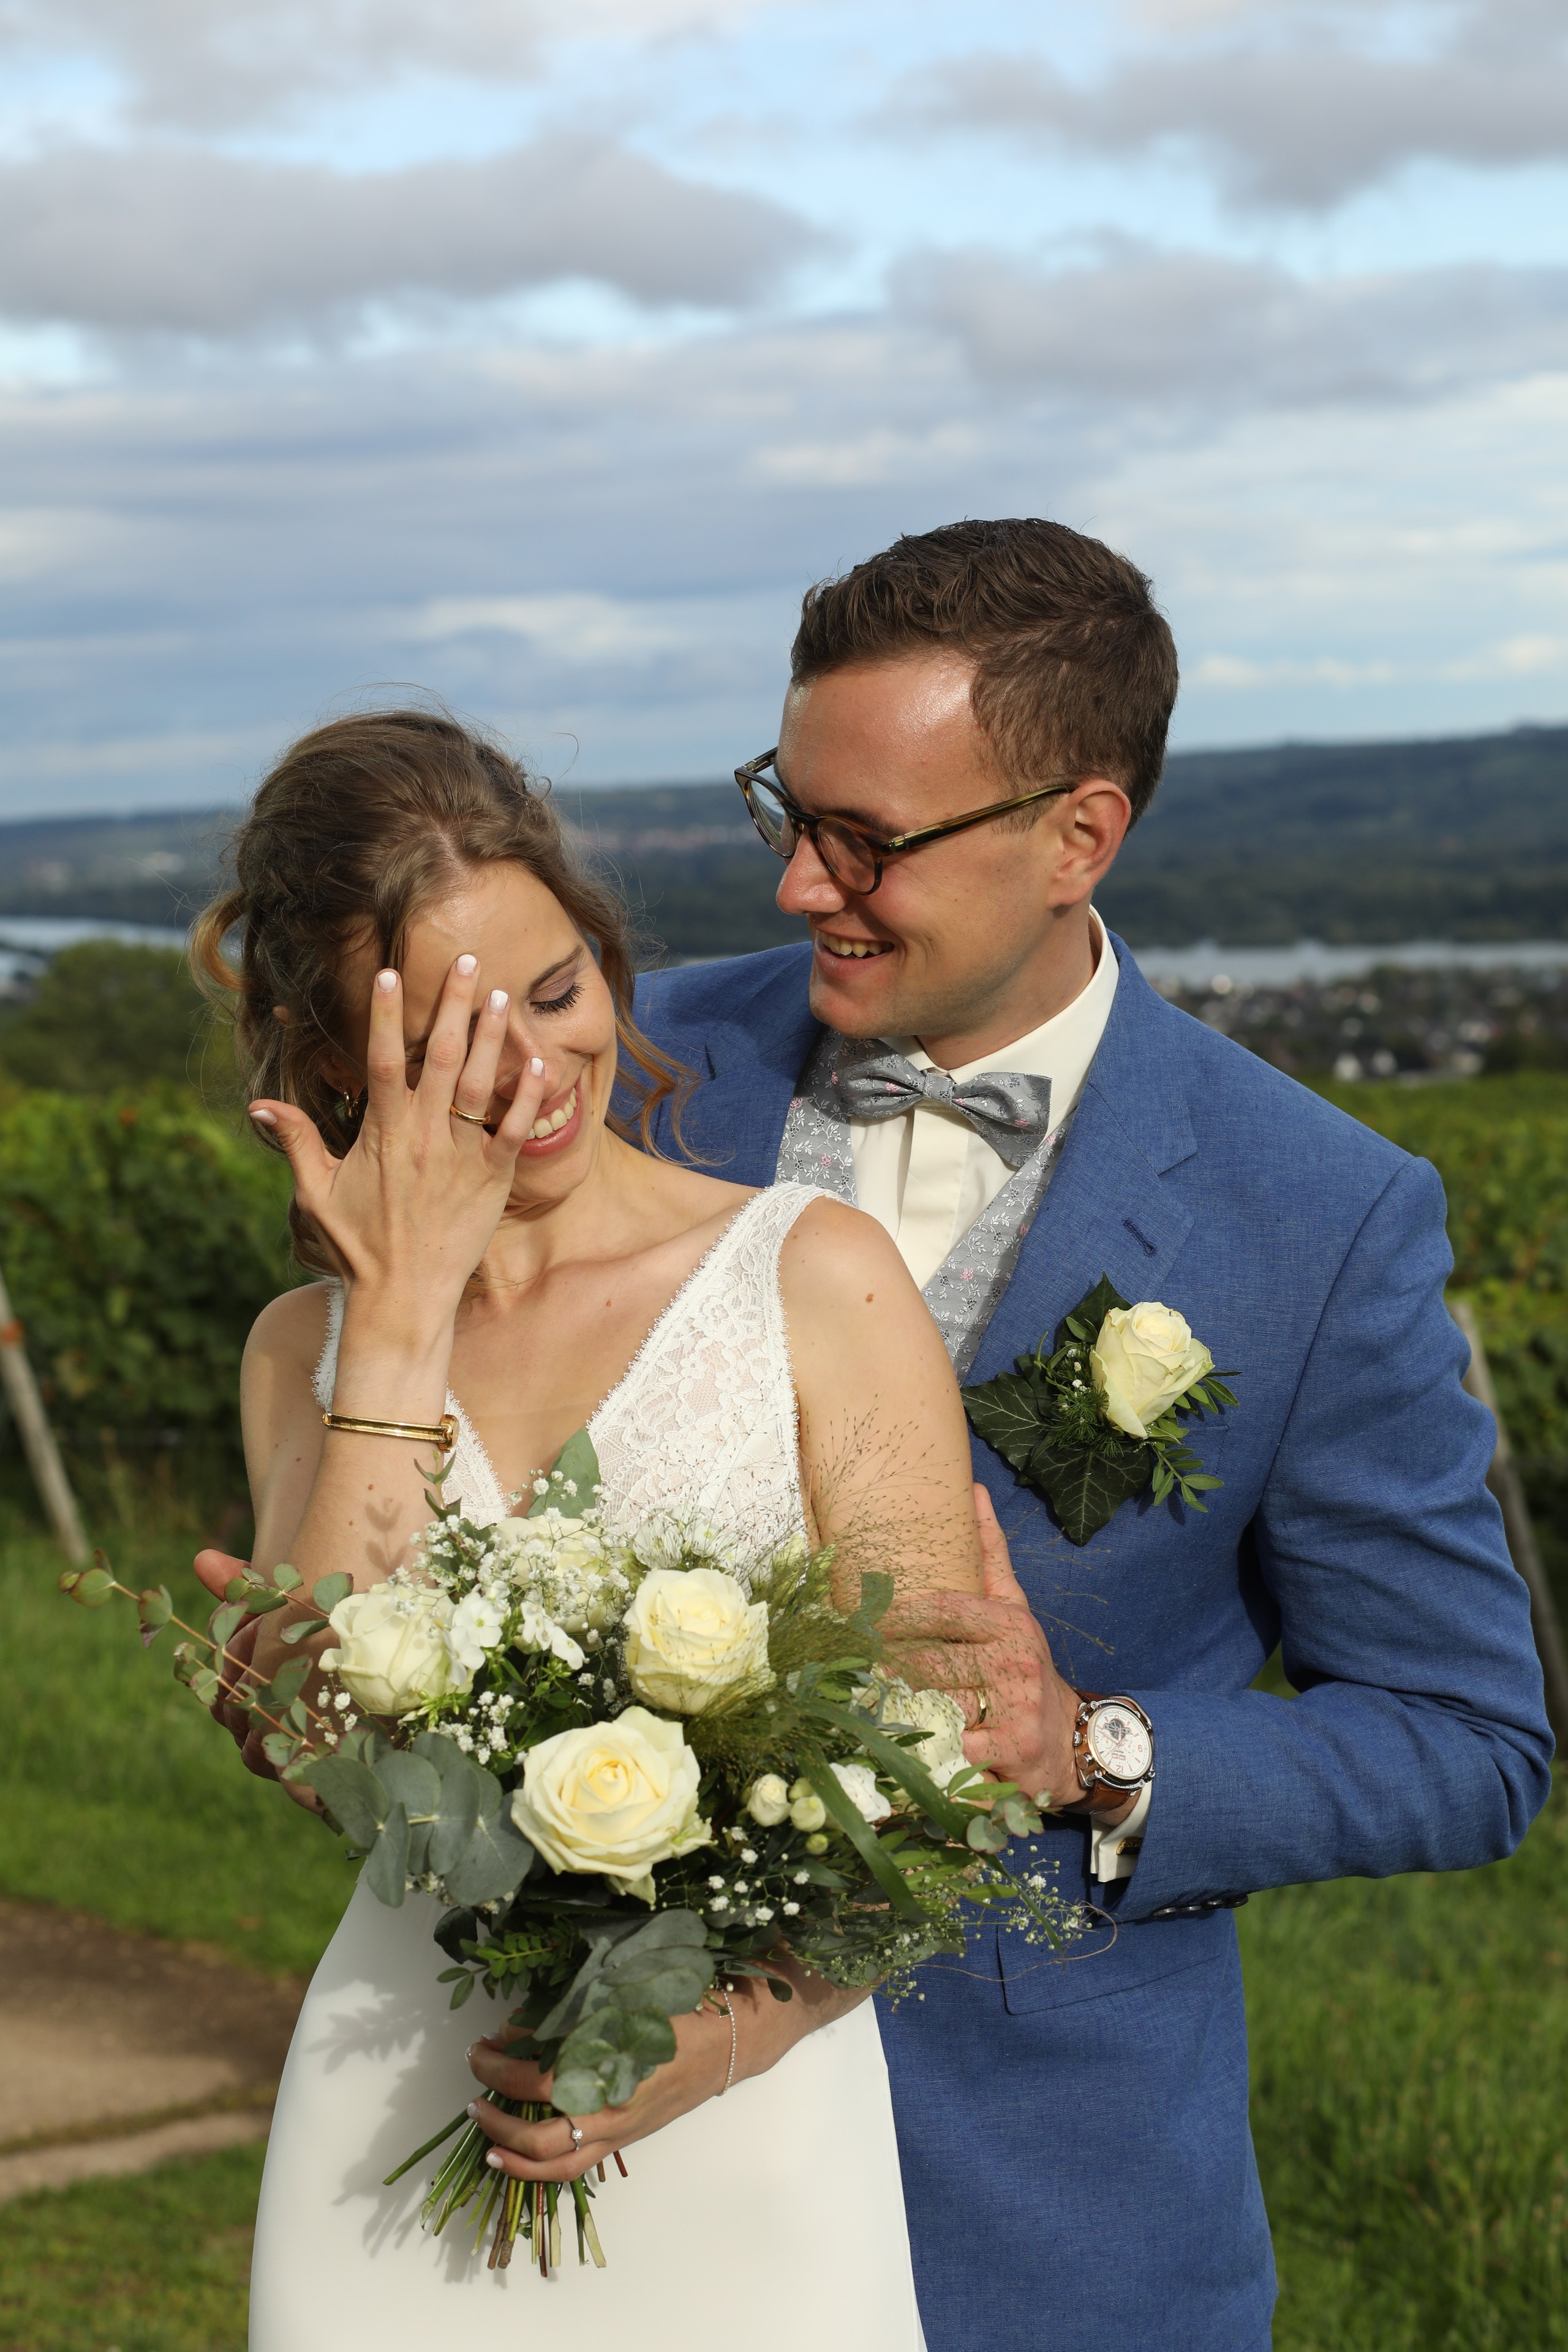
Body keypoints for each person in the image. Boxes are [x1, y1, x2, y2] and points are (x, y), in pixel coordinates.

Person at [625, 518, 1555, 2352]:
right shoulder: (629, 1073)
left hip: (1038, 2210)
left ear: (1080, 835)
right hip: (609, 2149)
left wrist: (1100, 1749)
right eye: (784, 810)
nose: (805, 886)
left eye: (869, 842)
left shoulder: (1322, 1212)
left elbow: (1469, 1739)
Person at [190, 707, 993, 2351]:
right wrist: (399, 1322)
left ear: (606, 954)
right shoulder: (305, 1353)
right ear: (341, 1064)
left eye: (559, 995)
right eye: (456, 1041)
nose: (538, 1072)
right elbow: (330, 1751)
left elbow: (951, 1750)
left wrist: (728, 2036)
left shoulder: (818, 1278)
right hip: (399, 2106)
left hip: (750, 2121)